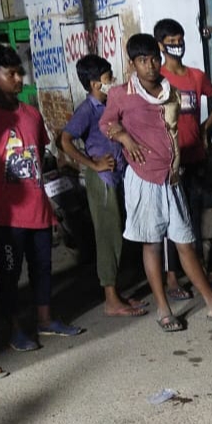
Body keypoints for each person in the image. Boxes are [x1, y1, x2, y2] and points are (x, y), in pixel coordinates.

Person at [100, 34, 212, 332]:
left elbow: (172, 131)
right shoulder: (122, 94)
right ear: (132, 64)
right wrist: (124, 138)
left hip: (171, 178)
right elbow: (106, 123)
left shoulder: (168, 90)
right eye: (143, 61)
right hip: (143, 179)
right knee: (153, 245)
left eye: (154, 59)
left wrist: (177, 162)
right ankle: (163, 309)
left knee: (186, 242)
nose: (151, 66)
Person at [0, 44, 84, 351]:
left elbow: (40, 159)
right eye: (11, 73)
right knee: (10, 271)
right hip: (6, 214)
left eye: (19, 72)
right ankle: (14, 327)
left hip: (38, 209)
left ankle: (45, 319)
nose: (18, 79)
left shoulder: (30, 114)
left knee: (42, 266)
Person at [60, 55, 147, 317]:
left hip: (118, 177)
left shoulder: (111, 104)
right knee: (108, 238)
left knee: (118, 233)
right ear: (96, 83)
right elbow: (64, 140)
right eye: (109, 77)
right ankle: (110, 299)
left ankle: (116, 292)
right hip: (103, 181)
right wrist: (92, 164)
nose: (113, 81)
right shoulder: (87, 110)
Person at [154, 18, 212, 300]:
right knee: (173, 220)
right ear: (161, 46)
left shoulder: (195, 76)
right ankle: (172, 279)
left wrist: (207, 125)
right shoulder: (157, 78)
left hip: (196, 156)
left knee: (192, 216)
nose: (177, 46)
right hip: (171, 162)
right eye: (171, 42)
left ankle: (198, 270)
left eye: (180, 40)